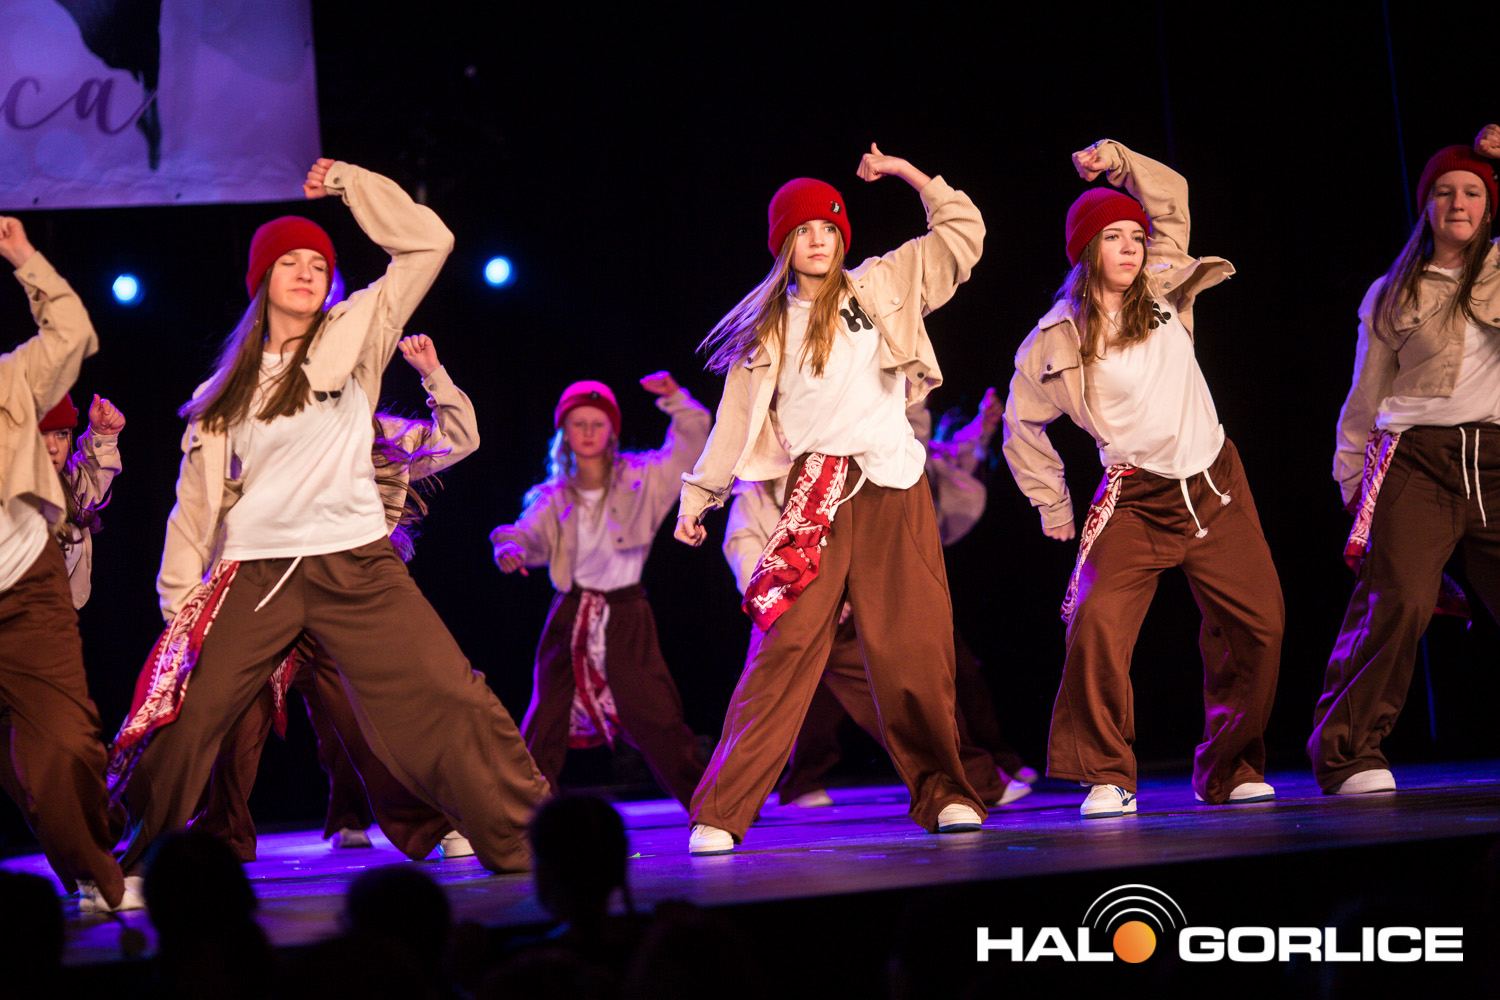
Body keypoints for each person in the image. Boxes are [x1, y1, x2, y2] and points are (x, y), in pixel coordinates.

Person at [110, 158, 550, 875]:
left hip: (358, 562)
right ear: (262, 280)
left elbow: (430, 243)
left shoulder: (355, 335)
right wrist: (179, 603)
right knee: (192, 715)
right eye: (290, 262)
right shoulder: (224, 392)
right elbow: (195, 507)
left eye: (319, 263)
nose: (308, 272)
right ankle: (136, 862)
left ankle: (529, 838)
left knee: (450, 692)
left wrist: (349, 183)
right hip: (257, 572)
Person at [675, 144, 988, 854]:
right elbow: (732, 424)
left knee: (914, 650)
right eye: (803, 229)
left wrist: (907, 174)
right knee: (783, 644)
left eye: (829, 227)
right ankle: (721, 810)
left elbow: (962, 234)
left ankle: (945, 791)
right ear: (783, 243)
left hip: (894, 488)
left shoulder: (881, 285)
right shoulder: (767, 327)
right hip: (817, 494)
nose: (818, 239)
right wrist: (699, 499)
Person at [1001, 139, 1284, 818]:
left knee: (1260, 626)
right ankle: (1107, 773)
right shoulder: (1057, 337)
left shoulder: (1161, 284)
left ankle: (1229, 768)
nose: (1131, 247)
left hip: (1215, 485)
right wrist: (1052, 504)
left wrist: (1120, 161)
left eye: (1136, 236)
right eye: (1113, 237)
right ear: (1085, 250)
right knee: (1096, 621)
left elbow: (1171, 199)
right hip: (1137, 499)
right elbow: (1021, 424)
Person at [193, 333, 484, 862]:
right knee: (240, 721)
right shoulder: (272, 432)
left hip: (347, 597)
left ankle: (429, 822)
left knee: (367, 720)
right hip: (276, 592)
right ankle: (223, 835)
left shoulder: (387, 436)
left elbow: (461, 440)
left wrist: (432, 373)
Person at [723, 391, 1034, 809]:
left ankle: (980, 782)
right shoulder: (755, 491)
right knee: (763, 704)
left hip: (848, 620)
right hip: (789, 611)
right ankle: (726, 806)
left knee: (902, 699)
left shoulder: (842, 468)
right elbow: (743, 547)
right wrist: (782, 597)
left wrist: (850, 593)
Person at [1311, 127, 1500, 795]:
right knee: (1399, 601)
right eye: (1444, 191)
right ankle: (1347, 754)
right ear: (1426, 205)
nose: (1458, 203)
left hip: (1494, 462)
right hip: (1415, 460)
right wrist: (1349, 472)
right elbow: (1366, 393)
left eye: (1472, 191)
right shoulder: (1392, 291)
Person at [0, 215, 136, 910]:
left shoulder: (12, 381)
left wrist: (24, 257)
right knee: (19, 771)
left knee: (66, 749)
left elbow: (73, 334)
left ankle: (94, 868)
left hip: (25, 589)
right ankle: (83, 862)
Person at [491, 375, 709, 807]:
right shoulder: (552, 495)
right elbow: (524, 532)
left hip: (625, 613)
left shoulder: (643, 477)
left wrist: (675, 400)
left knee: (656, 714)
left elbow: (691, 447)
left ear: (612, 430)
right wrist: (510, 547)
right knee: (546, 719)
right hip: (570, 615)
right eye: (578, 423)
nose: (588, 432)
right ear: (564, 432)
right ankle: (524, 813)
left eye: (598, 423)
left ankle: (710, 805)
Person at [38, 391, 123, 609]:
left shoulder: (66, 484)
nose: (53, 448)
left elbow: (93, 479)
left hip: (53, 619)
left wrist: (102, 434)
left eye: (61, 434)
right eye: (40, 434)